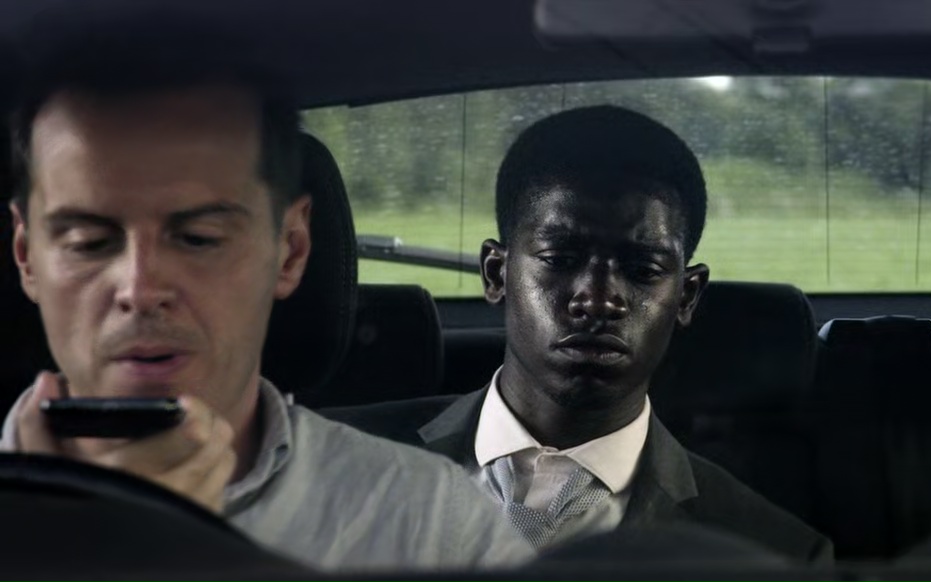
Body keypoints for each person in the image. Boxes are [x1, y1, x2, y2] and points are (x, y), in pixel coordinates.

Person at [0, 43, 532, 570]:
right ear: (26, 257)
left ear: (291, 250)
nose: (138, 289)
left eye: (199, 239)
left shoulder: (430, 523)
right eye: (89, 243)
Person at [326, 105, 833, 563]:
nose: (599, 299)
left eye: (641, 270)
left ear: (686, 297)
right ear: (497, 274)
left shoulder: (772, 554)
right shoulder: (326, 463)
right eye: (561, 258)